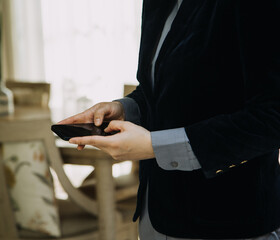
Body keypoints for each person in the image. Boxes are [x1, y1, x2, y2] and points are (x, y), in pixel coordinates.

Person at [59, 0, 280, 239]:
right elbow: (158, 90)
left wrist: (157, 146)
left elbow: (272, 117)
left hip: (230, 221)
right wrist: (125, 108)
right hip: (156, 218)